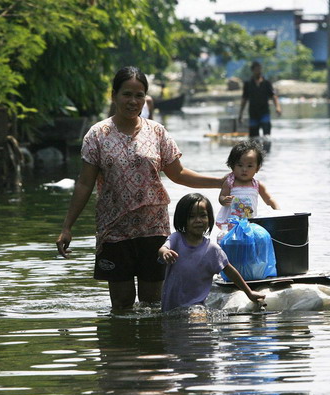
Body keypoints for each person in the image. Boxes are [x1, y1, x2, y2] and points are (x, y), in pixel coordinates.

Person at [56, 66, 226, 310]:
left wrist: (221, 181)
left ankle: (151, 347)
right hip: (114, 229)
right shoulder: (97, 135)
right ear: (114, 95)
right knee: (122, 304)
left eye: (139, 95)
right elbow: (84, 183)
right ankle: (122, 348)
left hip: (153, 229)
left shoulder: (156, 132)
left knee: (152, 303)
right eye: (127, 94)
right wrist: (67, 227)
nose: (133, 101)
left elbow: (178, 173)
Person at [158, 193, 266, 312]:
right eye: (191, 216)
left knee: (196, 316)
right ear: (182, 219)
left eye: (203, 215)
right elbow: (163, 248)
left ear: (209, 219)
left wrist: (249, 293)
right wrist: (165, 253)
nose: (198, 220)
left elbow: (230, 271)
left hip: (196, 306)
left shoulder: (212, 249)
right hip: (170, 308)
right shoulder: (176, 239)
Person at [216, 139, 279, 228]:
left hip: (250, 223)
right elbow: (221, 197)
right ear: (232, 166)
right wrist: (224, 200)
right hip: (232, 223)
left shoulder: (257, 185)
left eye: (249, 166)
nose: (244, 169)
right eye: (240, 165)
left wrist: (277, 210)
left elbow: (269, 199)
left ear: (257, 168)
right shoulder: (230, 183)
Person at [238, 61, 282, 138]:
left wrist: (278, 107)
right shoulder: (248, 84)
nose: (259, 71)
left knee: (267, 136)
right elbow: (244, 99)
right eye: (257, 69)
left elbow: (273, 96)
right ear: (252, 70)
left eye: (260, 69)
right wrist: (241, 114)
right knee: (253, 138)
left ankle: (267, 150)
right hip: (253, 113)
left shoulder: (266, 83)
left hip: (264, 112)